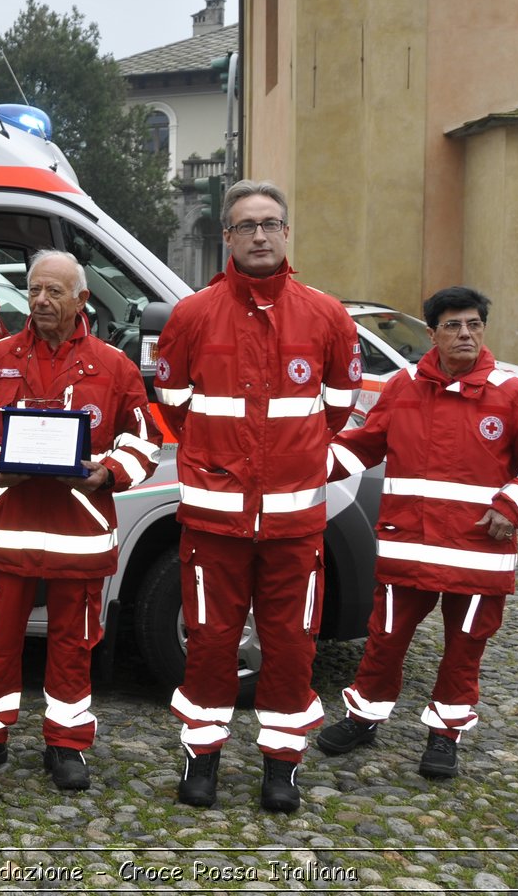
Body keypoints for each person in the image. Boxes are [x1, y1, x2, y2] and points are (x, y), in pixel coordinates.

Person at [152, 179, 361, 813]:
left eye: (270, 224)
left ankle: (281, 766)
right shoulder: (192, 314)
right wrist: (226, 466)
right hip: (214, 520)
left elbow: (338, 409)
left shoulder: (326, 315)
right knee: (212, 642)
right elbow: (176, 408)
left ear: (286, 232)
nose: (260, 235)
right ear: (228, 237)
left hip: (295, 523)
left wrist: (287, 465)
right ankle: (203, 759)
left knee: (293, 645)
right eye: (247, 226)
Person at [316, 286, 518, 778]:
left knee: (463, 651)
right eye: (453, 325)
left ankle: (444, 736)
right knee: (384, 641)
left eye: (474, 324)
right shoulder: (403, 386)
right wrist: (298, 467)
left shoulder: (512, 393)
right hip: (407, 545)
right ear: (431, 333)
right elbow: (363, 445)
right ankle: (363, 719)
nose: (465, 334)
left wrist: (511, 506)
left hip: (477, 553)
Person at [0, 250, 161, 791]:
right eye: (35, 290)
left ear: (82, 299)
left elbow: (144, 440)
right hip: (8, 528)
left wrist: (108, 472)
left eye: (54, 292)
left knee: (74, 644)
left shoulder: (114, 366)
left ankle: (66, 746)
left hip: (79, 534)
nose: (40, 300)